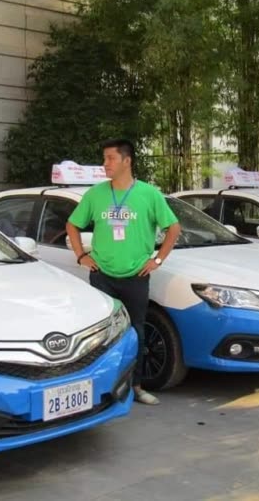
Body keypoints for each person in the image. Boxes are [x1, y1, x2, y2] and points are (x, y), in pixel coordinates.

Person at [66, 139, 182, 406]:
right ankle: (102, 388)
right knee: (101, 333)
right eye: (104, 158)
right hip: (102, 275)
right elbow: (72, 225)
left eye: (110, 158)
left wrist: (157, 259)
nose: (104, 164)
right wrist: (81, 255)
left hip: (135, 277)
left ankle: (136, 386)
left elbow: (173, 228)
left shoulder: (149, 194)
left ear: (126, 161)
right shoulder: (96, 194)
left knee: (136, 332)